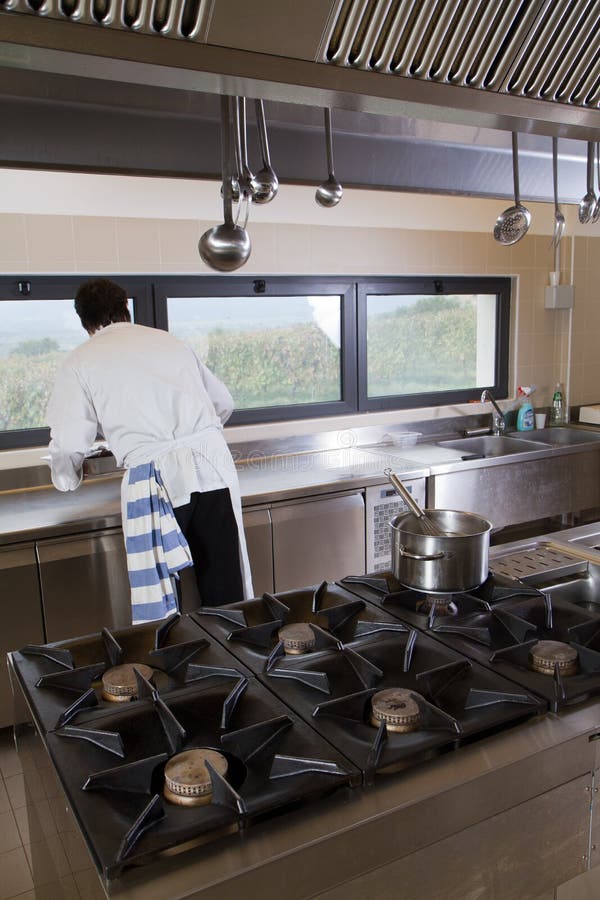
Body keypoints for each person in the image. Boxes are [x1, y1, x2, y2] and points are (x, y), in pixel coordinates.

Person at [45, 278, 252, 621]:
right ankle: (235, 652)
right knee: (227, 590)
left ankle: (173, 653)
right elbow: (223, 403)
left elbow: (69, 442)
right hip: (212, 464)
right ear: (125, 308)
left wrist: (66, 479)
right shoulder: (169, 342)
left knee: (163, 599)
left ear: (84, 322)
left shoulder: (80, 360)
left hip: (154, 478)